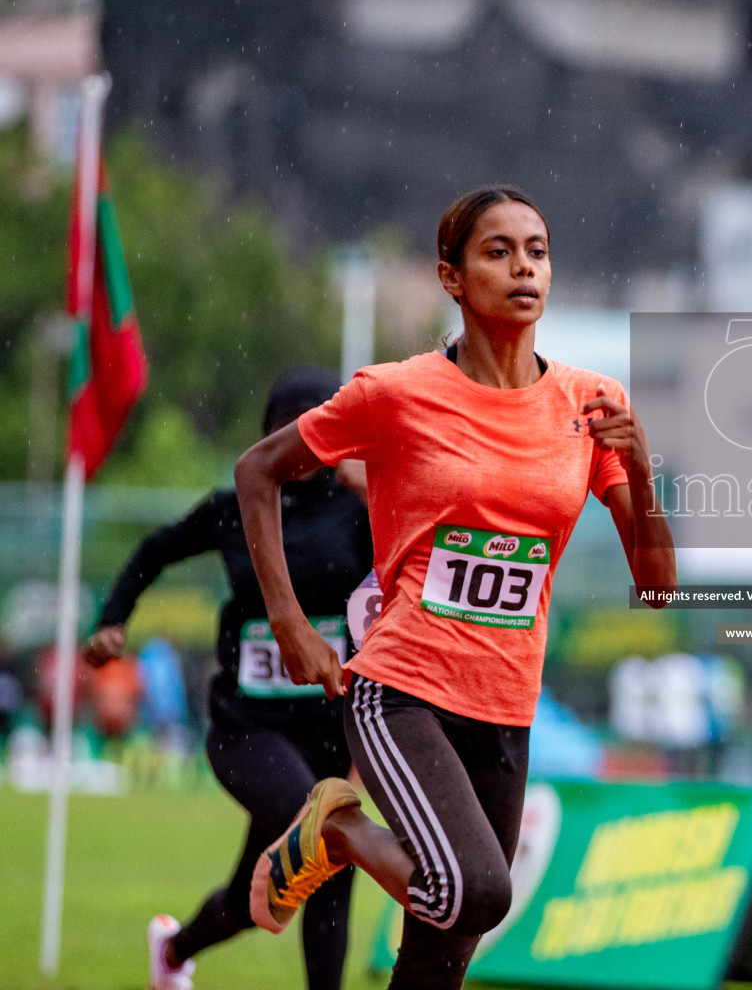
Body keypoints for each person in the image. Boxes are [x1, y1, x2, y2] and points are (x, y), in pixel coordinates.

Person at [234, 185, 675, 990]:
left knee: (439, 957)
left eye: (536, 251)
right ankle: (334, 830)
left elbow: (657, 587)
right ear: (452, 277)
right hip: (401, 691)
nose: (522, 268)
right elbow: (257, 470)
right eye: (497, 252)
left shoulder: (591, 404)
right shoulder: (397, 393)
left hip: (506, 706)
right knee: (474, 890)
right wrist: (290, 619)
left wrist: (641, 469)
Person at [83, 366, 370, 990]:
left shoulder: (357, 505)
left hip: (328, 732)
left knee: (254, 898)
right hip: (247, 729)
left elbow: (428, 550)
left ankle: (174, 949)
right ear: (269, 437)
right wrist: (113, 620)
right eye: (286, 432)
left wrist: (375, 490)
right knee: (330, 841)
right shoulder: (236, 506)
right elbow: (156, 547)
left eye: (315, 431)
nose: (301, 445)